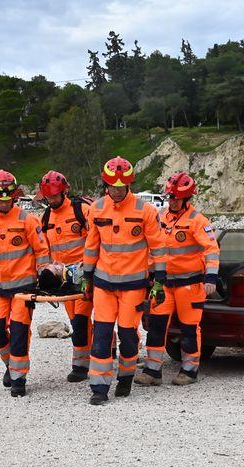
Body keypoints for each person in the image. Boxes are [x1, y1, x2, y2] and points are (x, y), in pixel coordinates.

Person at [81, 156, 168, 405]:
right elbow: (91, 245)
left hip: (133, 286)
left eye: (121, 186)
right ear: (106, 185)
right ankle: (99, 387)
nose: (117, 191)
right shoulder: (97, 208)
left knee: (128, 336)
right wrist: (86, 277)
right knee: (101, 335)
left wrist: (159, 280)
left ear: (128, 184)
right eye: (113, 186)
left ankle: (126, 377)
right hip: (103, 284)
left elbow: (158, 247)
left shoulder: (145, 211)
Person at [134, 171, 220, 386]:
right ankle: (152, 371)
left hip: (190, 284)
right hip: (163, 284)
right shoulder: (160, 216)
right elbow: (153, 248)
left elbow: (211, 249)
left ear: (186, 198)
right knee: (156, 326)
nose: (172, 201)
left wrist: (211, 277)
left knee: (189, 328)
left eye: (176, 198)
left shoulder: (197, 220)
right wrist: (146, 274)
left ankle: (189, 371)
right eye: (170, 197)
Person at [0, 170, 51, 397]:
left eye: (8, 199)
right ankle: (11, 364)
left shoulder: (27, 220)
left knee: (19, 332)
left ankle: (19, 379)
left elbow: (41, 251)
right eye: (0, 199)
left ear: (14, 197)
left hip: (23, 288)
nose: (4, 203)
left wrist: (44, 275)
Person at [37, 170, 94, 383]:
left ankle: (80, 366)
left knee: (80, 321)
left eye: (54, 196)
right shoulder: (46, 217)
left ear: (64, 192)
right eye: (48, 197)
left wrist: (89, 264)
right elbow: (43, 249)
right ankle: (106, 348)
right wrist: (45, 271)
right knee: (76, 320)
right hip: (63, 280)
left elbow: (96, 238)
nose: (51, 200)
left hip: (85, 275)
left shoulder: (82, 210)